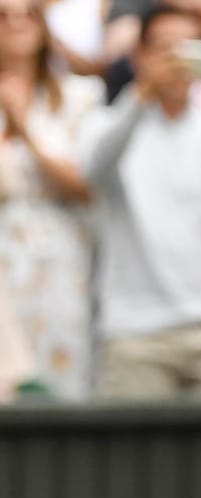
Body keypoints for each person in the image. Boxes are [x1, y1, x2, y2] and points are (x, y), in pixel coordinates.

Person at [78, 4, 201, 398]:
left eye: (191, 48)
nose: (178, 61)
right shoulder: (111, 122)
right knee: (128, 460)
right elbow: (91, 170)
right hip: (134, 335)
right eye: (166, 48)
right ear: (139, 55)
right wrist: (141, 93)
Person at [0, 0, 100, 399]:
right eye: (3, 16)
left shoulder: (81, 95)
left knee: (64, 385)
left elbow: (86, 184)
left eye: (27, 14)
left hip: (61, 259)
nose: (16, 25)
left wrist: (23, 126)